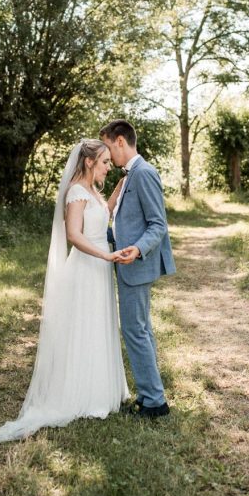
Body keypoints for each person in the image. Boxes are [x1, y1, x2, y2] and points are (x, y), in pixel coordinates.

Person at [0, 139, 130, 442]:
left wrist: (118, 189)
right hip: (86, 267)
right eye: (105, 162)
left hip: (99, 267)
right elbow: (73, 234)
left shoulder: (93, 192)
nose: (109, 166)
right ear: (90, 162)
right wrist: (105, 254)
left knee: (98, 325)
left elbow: (100, 217)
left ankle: (101, 388)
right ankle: (81, 393)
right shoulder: (76, 192)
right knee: (83, 327)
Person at [100, 119, 176, 418]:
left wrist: (138, 249)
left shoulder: (143, 173)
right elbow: (128, 223)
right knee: (141, 329)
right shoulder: (130, 175)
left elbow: (158, 224)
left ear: (120, 141)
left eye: (107, 146)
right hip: (129, 261)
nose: (107, 155)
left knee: (134, 331)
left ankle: (154, 402)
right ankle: (150, 394)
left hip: (137, 264)